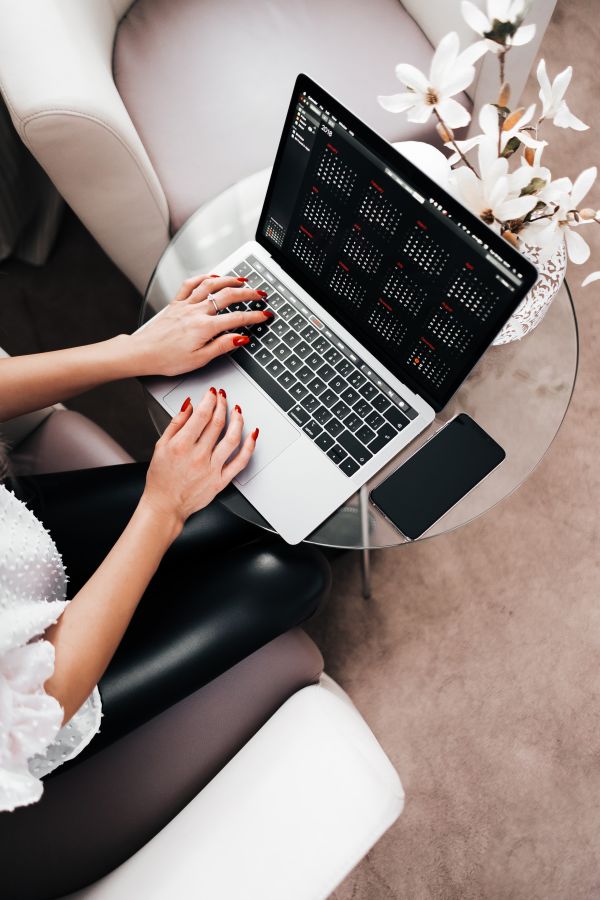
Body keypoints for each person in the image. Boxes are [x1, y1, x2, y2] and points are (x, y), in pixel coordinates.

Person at [0, 272, 329, 818]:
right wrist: (162, 509)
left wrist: (134, 350)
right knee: (292, 571)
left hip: (13, 539)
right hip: (41, 697)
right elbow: (38, 699)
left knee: (243, 497)